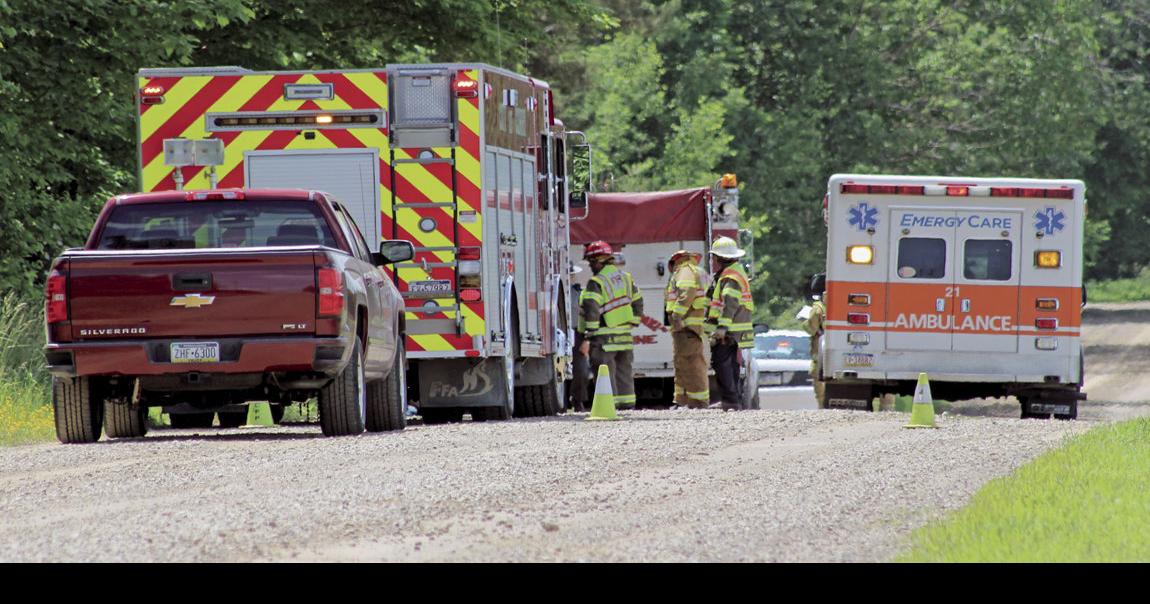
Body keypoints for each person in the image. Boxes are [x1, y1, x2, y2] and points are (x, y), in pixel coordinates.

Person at [579, 241, 643, 410]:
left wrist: (589, 334)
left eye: (592, 262)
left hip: (604, 337)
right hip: (625, 335)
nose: (591, 266)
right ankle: (627, 404)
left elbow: (592, 309)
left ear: (600, 260)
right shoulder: (626, 278)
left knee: (604, 372)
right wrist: (633, 321)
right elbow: (638, 302)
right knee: (624, 371)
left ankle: (609, 406)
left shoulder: (597, 282)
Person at [705, 236, 755, 410]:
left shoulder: (730, 276)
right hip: (735, 328)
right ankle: (733, 401)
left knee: (722, 363)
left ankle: (730, 401)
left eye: (715, 256)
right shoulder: (736, 272)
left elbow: (730, 303)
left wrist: (722, 328)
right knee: (731, 364)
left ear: (720, 258)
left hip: (729, 330)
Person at [666, 250, 709, 409]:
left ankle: (696, 402)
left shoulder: (685, 271)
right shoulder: (697, 271)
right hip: (690, 326)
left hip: (686, 325)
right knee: (684, 362)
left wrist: (677, 314)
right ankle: (682, 401)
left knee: (691, 364)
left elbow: (687, 292)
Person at [803, 273, 828, 409]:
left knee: (818, 379)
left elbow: (811, 328)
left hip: (820, 351)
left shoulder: (818, 307)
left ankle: (823, 408)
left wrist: (804, 323)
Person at [569, 263, 589, 413]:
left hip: (577, 333)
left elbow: (588, 316)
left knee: (581, 370)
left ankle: (578, 400)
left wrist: (586, 338)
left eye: (572, 275)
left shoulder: (579, 293)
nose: (571, 277)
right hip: (556, 332)